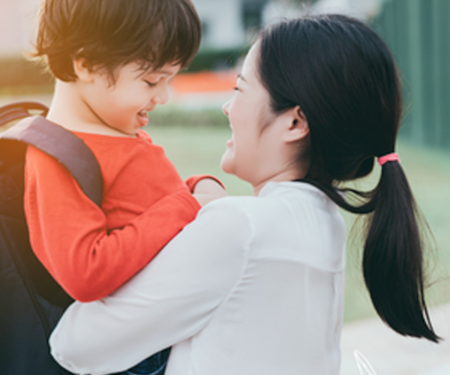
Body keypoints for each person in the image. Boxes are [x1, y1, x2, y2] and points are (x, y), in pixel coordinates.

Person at [49, 14, 439, 375]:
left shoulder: (239, 228)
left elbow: (76, 345)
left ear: (295, 122)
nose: (226, 106)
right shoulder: (325, 224)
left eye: (239, 88)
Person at [25, 0, 225, 374]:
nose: (163, 96)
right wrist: (185, 205)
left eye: (170, 78)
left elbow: (147, 207)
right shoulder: (58, 155)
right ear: (85, 64)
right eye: (152, 80)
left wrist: (196, 186)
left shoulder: (116, 132)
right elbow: (87, 272)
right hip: (141, 357)